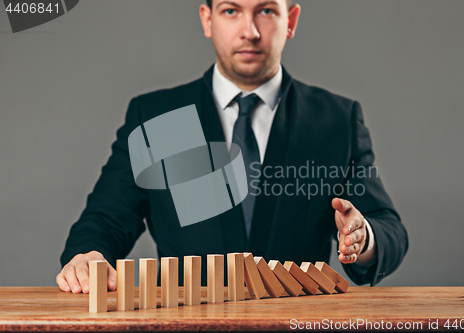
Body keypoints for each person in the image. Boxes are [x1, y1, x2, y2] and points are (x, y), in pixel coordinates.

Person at [57, 0, 408, 294]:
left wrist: (364, 239)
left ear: (292, 20)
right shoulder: (159, 118)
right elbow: (104, 220)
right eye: (231, 11)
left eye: (266, 11)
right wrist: (90, 256)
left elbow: (386, 226)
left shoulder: (334, 121)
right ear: (207, 19)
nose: (250, 31)